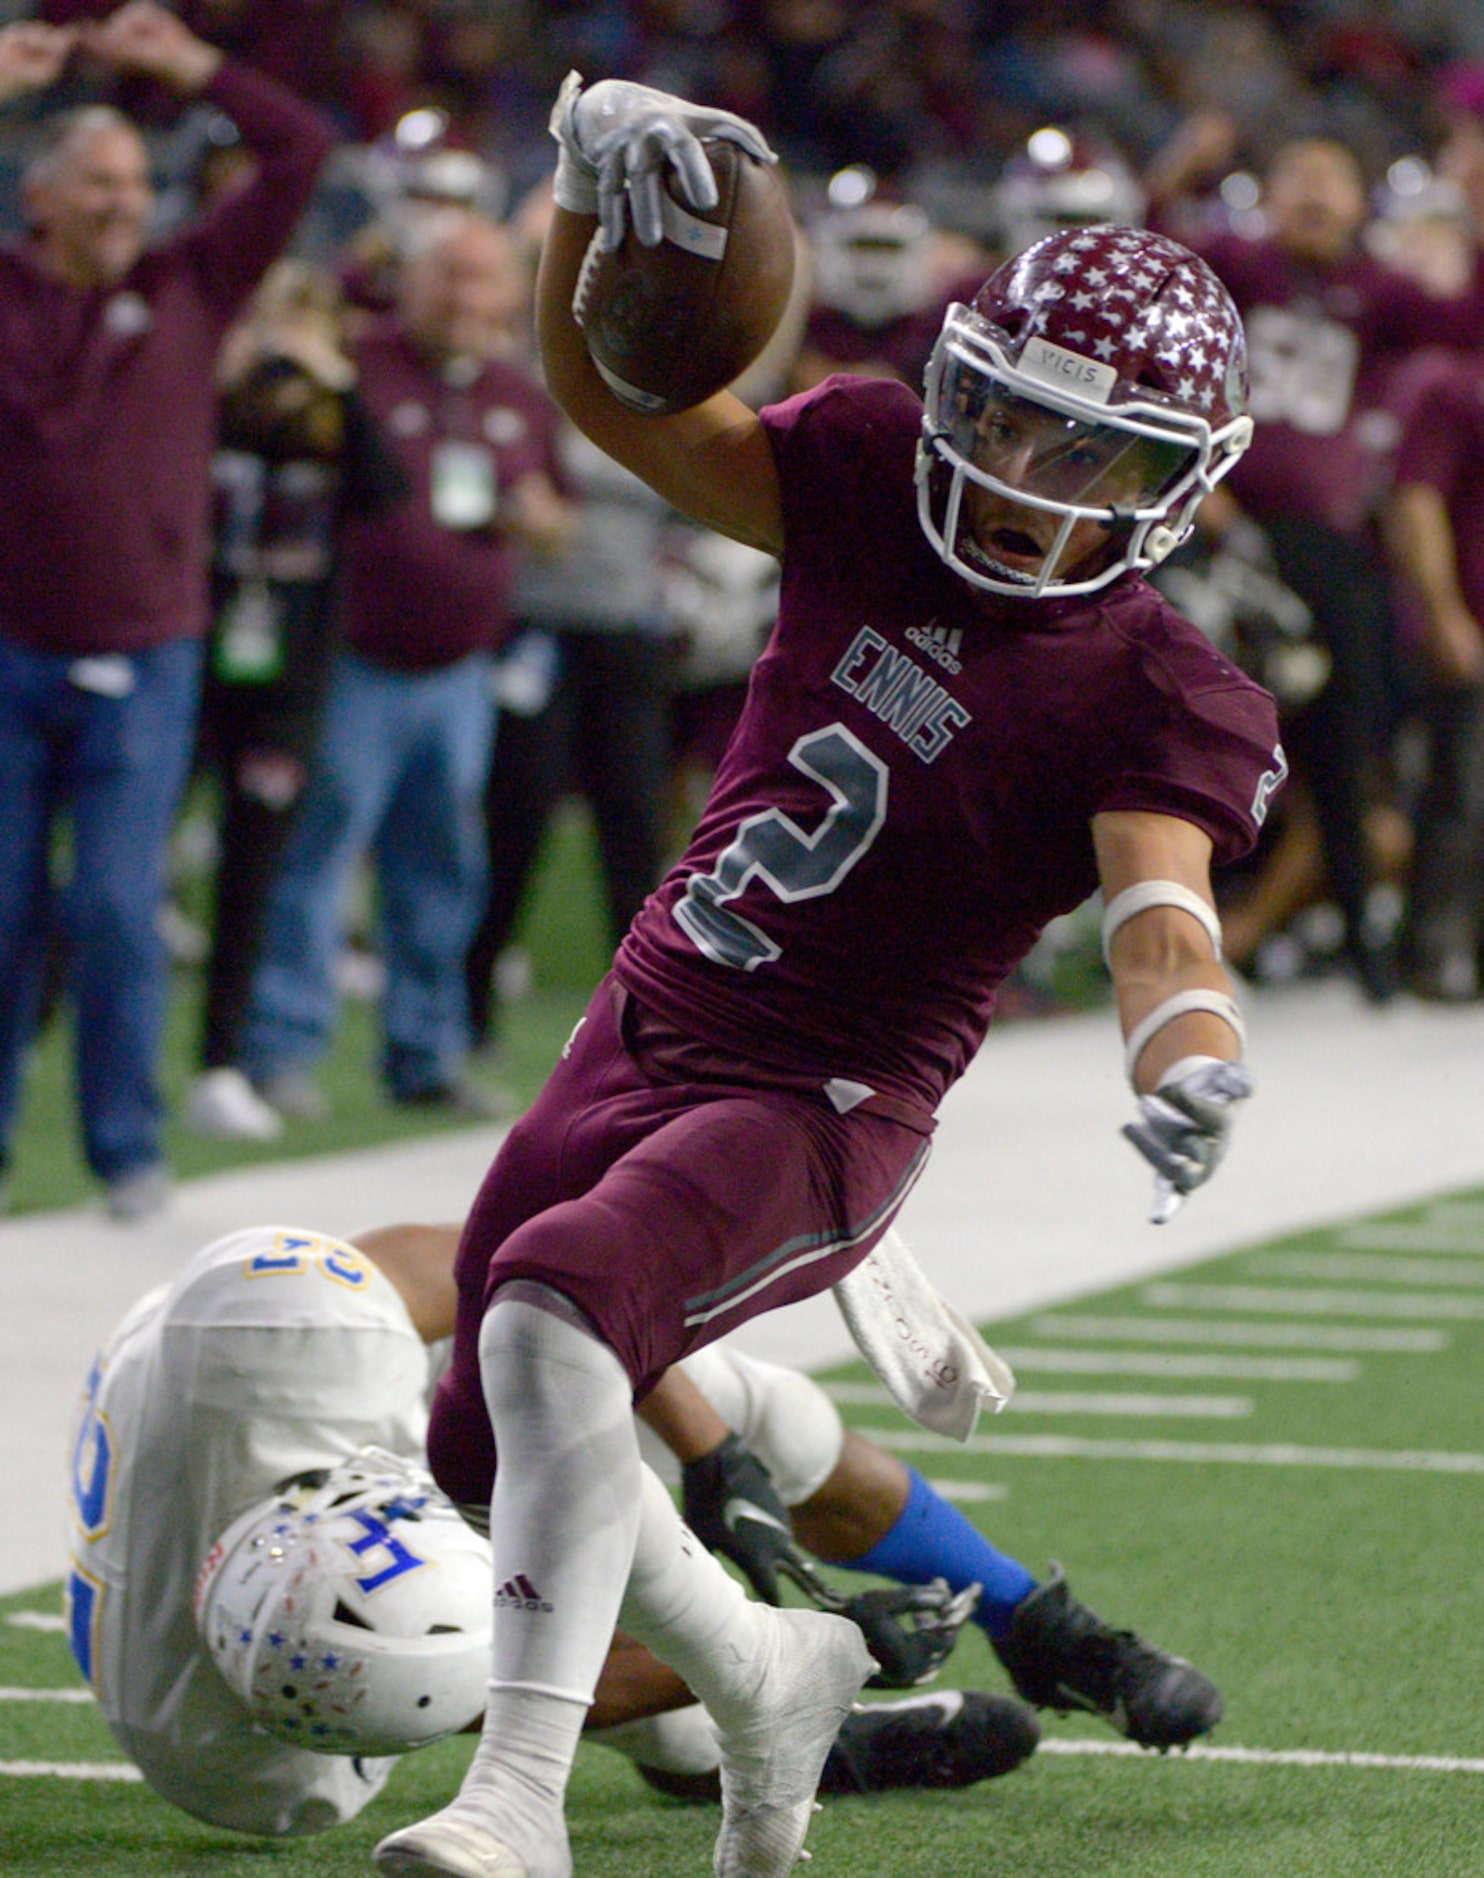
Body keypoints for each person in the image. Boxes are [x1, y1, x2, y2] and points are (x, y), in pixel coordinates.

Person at [377, 73, 1284, 1878]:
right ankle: (763, 1663)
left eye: (1085, 458)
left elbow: (1157, 906)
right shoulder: (870, 472)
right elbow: (611, 396)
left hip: (822, 1097)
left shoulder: (1153, 686)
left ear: (1168, 489)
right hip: (644, 1010)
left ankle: (516, 1805)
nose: (1025, 482)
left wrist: (1179, 1043)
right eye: (1008, 424)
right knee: (482, 1437)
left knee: (558, 1304)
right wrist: (580, 201)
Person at [64, 1217, 1070, 1838]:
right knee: (531, 1650)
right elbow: (504, 1678)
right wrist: (813, 1647)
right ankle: (718, 1751)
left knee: (734, 1396)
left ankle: (1023, 1605)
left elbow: (506, 1265)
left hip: (233, 1376)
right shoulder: (246, 1774)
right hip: (235, 1609)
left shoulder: (274, 1335)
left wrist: (715, 1450)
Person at [0, 3, 332, 1222]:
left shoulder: (191, 280)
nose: (122, 201)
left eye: (134, 180)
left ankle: (127, 1148)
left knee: (117, 909)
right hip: (11, 647)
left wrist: (192, 69)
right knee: (1, 909)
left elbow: (299, 150)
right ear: (37, 196)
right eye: (94, 181)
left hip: (147, 651)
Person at [238, 210, 572, 1122]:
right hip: (352, 661)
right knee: (317, 859)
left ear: (508, 291)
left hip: (461, 670)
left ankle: (424, 1054)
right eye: (447, 276)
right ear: (410, 283)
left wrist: (539, 521)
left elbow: (556, 518)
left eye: (481, 277)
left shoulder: (515, 388)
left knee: (442, 872)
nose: (465, 297)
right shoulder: (358, 367)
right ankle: (280, 1050)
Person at [184, 259, 410, 1141]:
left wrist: (340, 386)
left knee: (251, 878)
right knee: (114, 874)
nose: (285, 342)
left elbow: (393, 495)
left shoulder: (337, 429)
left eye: (302, 322)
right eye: (269, 317)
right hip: (183, 662)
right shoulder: (210, 402)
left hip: (285, 685)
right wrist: (224, 368)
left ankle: (221, 1064)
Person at [1383, 357, 1484, 1001]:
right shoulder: (1457, 386)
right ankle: (1433, 948)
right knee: (1463, 795)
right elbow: (1416, 499)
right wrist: (1443, 611)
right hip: (1475, 620)